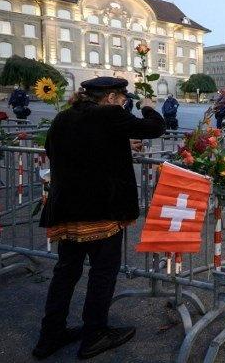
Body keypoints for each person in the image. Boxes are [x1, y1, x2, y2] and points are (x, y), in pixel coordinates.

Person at [34, 77, 165, 360]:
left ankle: (50, 335)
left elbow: (60, 151)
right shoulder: (109, 114)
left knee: (66, 273)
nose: (124, 104)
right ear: (110, 98)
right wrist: (148, 107)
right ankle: (95, 334)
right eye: (123, 99)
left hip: (66, 209)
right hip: (100, 209)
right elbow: (155, 128)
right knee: (102, 273)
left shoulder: (64, 117)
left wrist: (121, 149)